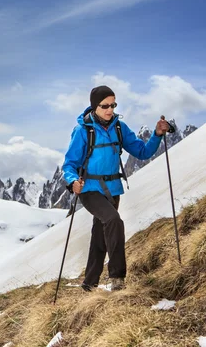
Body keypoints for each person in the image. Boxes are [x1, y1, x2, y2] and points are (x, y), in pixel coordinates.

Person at [62, 85, 169, 291]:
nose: (110, 110)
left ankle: (89, 284)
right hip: (89, 189)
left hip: (113, 189)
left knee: (101, 235)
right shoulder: (83, 131)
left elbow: (142, 151)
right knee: (113, 221)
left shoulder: (119, 128)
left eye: (113, 105)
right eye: (105, 106)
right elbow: (69, 164)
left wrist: (156, 134)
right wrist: (72, 180)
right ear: (95, 106)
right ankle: (117, 278)